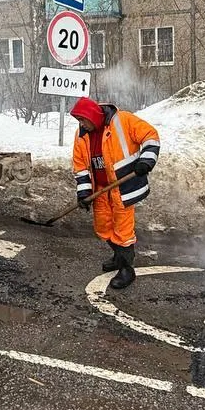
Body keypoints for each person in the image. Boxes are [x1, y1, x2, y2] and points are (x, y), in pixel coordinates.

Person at [70, 97, 161, 290]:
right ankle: (119, 256)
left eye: (82, 119)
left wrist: (146, 161)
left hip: (123, 188)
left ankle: (127, 269)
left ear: (92, 116)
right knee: (103, 228)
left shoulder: (124, 120)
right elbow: (80, 167)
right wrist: (84, 193)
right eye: (78, 120)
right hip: (101, 191)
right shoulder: (81, 135)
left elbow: (151, 136)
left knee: (123, 231)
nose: (81, 124)